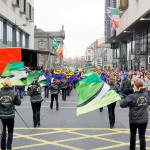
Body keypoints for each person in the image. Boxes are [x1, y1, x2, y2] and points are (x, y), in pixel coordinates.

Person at [120, 80, 150, 150]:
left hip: (134, 119)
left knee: (133, 135)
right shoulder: (146, 95)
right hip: (144, 119)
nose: (133, 87)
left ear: (136, 87)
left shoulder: (131, 96)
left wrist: (125, 99)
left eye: (133, 86)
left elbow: (122, 104)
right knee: (142, 136)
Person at [0, 78, 21, 150]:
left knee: (3, 132)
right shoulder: (13, 92)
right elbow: (18, 103)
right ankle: (9, 147)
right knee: (10, 131)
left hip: (2, 115)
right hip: (10, 115)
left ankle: (3, 148)